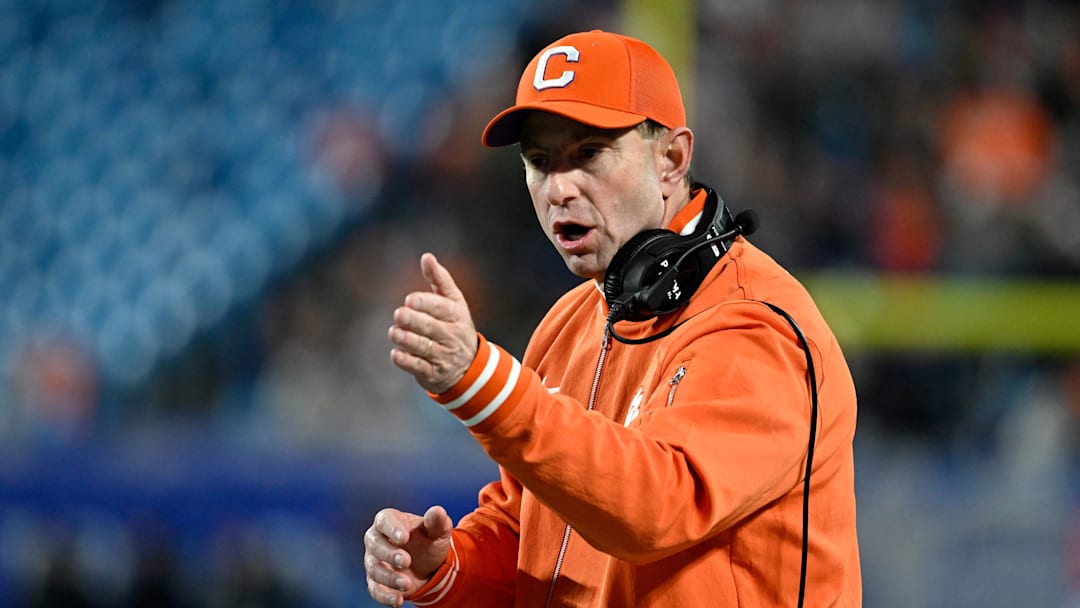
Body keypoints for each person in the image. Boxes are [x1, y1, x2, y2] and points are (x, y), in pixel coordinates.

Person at [365, 30, 861, 607]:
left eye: (589, 154)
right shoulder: (570, 321)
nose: (559, 188)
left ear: (671, 159)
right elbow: (534, 536)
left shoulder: (754, 325)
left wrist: (482, 383)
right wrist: (449, 567)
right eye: (540, 162)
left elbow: (656, 509)